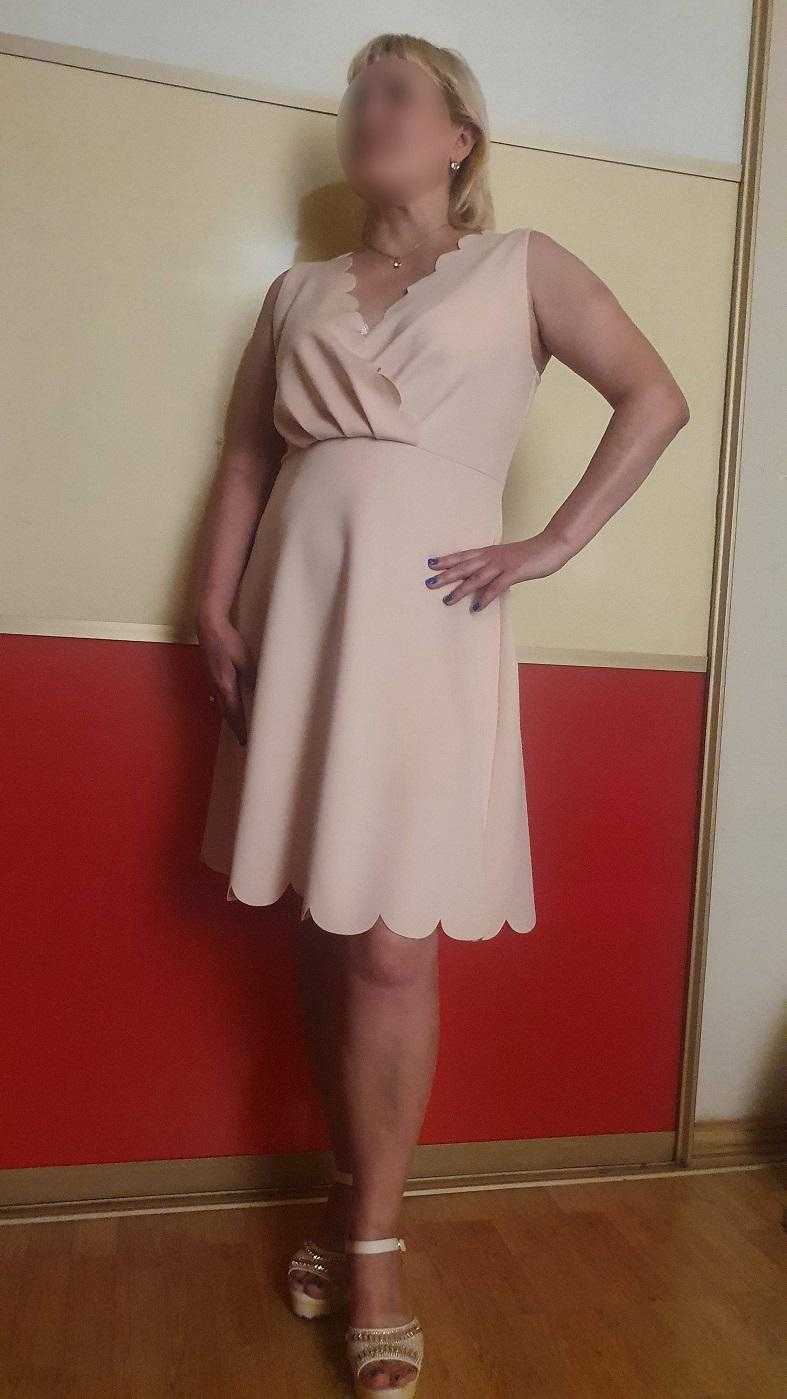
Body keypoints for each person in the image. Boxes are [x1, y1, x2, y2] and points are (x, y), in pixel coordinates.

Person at [195, 32, 690, 1398]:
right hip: (301, 615)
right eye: (360, 94)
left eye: (399, 93)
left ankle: (375, 1248)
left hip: (426, 629)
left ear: (460, 134)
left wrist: (550, 543)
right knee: (324, 918)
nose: (372, 111)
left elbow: (655, 397)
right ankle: (342, 1193)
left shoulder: (522, 264)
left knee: (394, 943)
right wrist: (213, 610)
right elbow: (244, 456)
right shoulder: (295, 291)